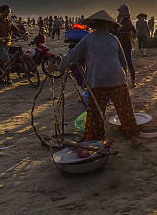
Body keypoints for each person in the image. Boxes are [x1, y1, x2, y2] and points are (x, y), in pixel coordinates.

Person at [52, 10, 139, 146]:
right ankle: (133, 136)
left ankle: (95, 138)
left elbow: (72, 56)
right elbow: (123, 62)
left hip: (97, 81)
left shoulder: (87, 39)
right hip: (117, 79)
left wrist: (59, 68)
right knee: (125, 110)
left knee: (95, 114)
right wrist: (124, 77)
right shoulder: (113, 39)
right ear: (108, 26)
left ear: (94, 24)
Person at [0, 5, 24, 85]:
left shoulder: (8, 20)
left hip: (7, 43)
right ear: (1, 12)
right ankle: (4, 78)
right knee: (7, 60)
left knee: (6, 62)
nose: (8, 14)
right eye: (6, 12)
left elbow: (16, 29)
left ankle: (6, 78)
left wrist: (23, 33)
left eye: (9, 12)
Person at [117, 4, 136, 87]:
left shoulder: (127, 21)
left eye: (120, 11)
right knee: (123, 63)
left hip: (125, 45)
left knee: (127, 62)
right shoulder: (123, 20)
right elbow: (134, 31)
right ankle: (127, 81)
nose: (119, 13)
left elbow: (129, 32)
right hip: (121, 44)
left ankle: (132, 81)